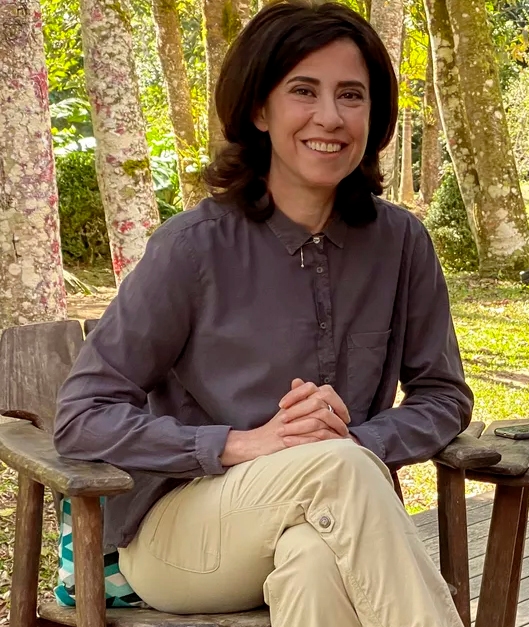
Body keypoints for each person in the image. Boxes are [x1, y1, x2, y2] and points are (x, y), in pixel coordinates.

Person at [54, 2, 470, 625]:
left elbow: (444, 396)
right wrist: (238, 445)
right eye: (304, 91)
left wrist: (359, 439)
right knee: (335, 471)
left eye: (351, 95)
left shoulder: (400, 243)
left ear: (374, 115)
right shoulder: (192, 249)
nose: (329, 117)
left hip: (328, 514)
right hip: (182, 531)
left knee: (313, 564)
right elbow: (81, 415)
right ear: (258, 109)